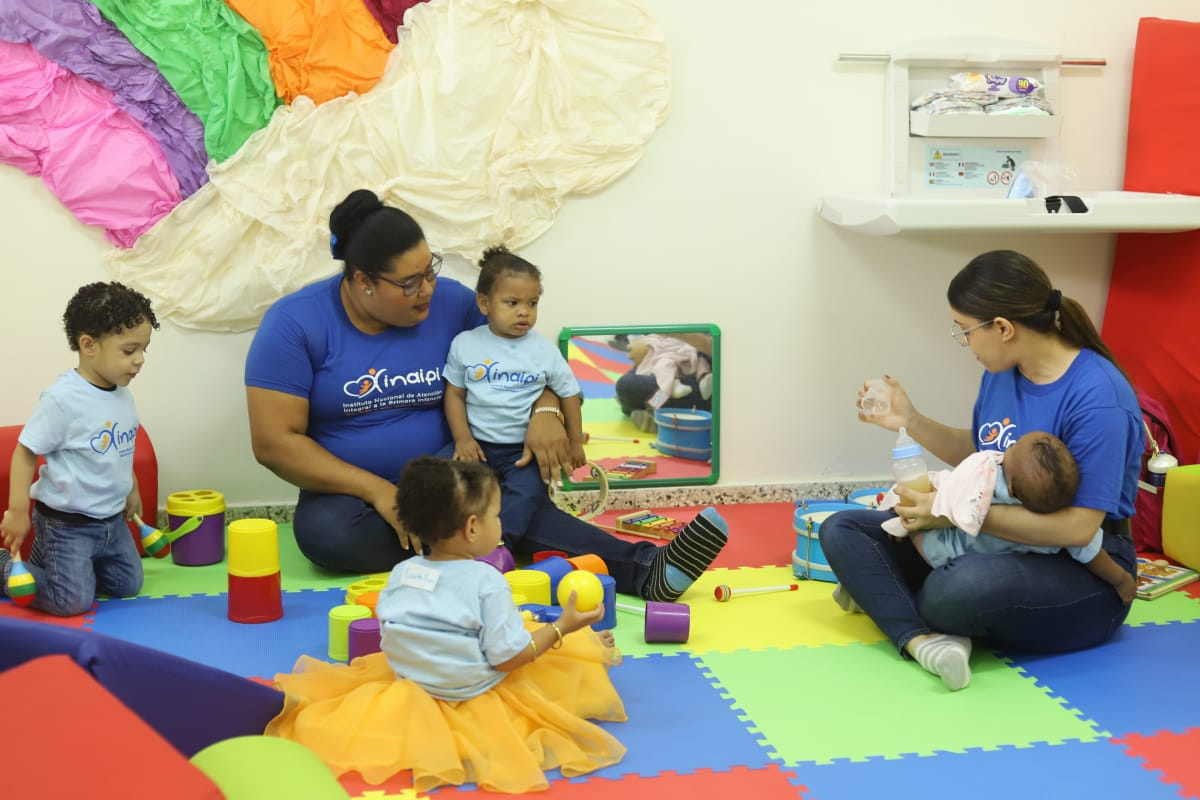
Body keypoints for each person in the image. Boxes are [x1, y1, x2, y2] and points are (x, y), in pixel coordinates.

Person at [244, 188, 729, 602]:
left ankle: (646, 570)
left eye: (429, 269)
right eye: (409, 282)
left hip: (458, 470)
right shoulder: (294, 324)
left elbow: (529, 356)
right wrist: (380, 492)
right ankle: (490, 544)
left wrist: (544, 410)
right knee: (327, 536)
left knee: (511, 481)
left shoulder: (453, 301)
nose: (427, 290)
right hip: (354, 494)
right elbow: (274, 443)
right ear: (362, 282)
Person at [821, 250, 1142, 692]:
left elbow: (1077, 528)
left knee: (955, 591)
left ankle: (893, 601)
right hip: (990, 540)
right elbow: (983, 454)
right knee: (843, 528)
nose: (964, 342)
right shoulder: (1002, 371)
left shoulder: (1098, 397)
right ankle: (924, 641)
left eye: (965, 331)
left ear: (1004, 328)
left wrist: (951, 510)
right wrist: (911, 420)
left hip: (1080, 568)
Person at [267, 457, 625, 793]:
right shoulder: (487, 581)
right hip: (472, 688)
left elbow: (393, 630)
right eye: (496, 516)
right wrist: (563, 626)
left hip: (411, 682)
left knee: (510, 626)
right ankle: (581, 641)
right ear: (472, 527)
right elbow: (508, 659)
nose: (501, 524)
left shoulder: (401, 573)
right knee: (557, 655)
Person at [0, 282, 159, 615]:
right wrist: (17, 511)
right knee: (71, 602)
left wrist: (131, 489)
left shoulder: (121, 393)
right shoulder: (62, 399)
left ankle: (55, 564)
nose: (140, 360)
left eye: (144, 349)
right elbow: (25, 452)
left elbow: (120, 446)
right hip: (67, 524)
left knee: (127, 585)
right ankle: (6, 566)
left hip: (111, 521)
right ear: (89, 345)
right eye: (129, 351)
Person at [874, 431, 1136, 604]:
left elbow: (952, 492)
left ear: (1010, 487)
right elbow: (1093, 555)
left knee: (911, 511)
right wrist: (1122, 580)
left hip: (942, 549)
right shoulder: (1057, 520)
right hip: (975, 562)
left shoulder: (990, 480)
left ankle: (897, 545)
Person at [443, 245, 586, 540]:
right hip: (479, 446)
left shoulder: (543, 349)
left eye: (532, 303)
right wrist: (463, 438)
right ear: (484, 303)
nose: (524, 311)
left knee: (525, 494)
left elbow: (569, 393)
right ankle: (452, 541)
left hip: (523, 452)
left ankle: (498, 545)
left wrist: (574, 442)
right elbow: (455, 394)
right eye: (512, 302)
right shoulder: (465, 344)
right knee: (443, 483)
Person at [615, 332, 713, 432]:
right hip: (679, 366)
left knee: (629, 387)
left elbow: (712, 346)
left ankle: (653, 412)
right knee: (632, 380)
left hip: (704, 388)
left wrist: (678, 333)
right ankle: (657, 412)